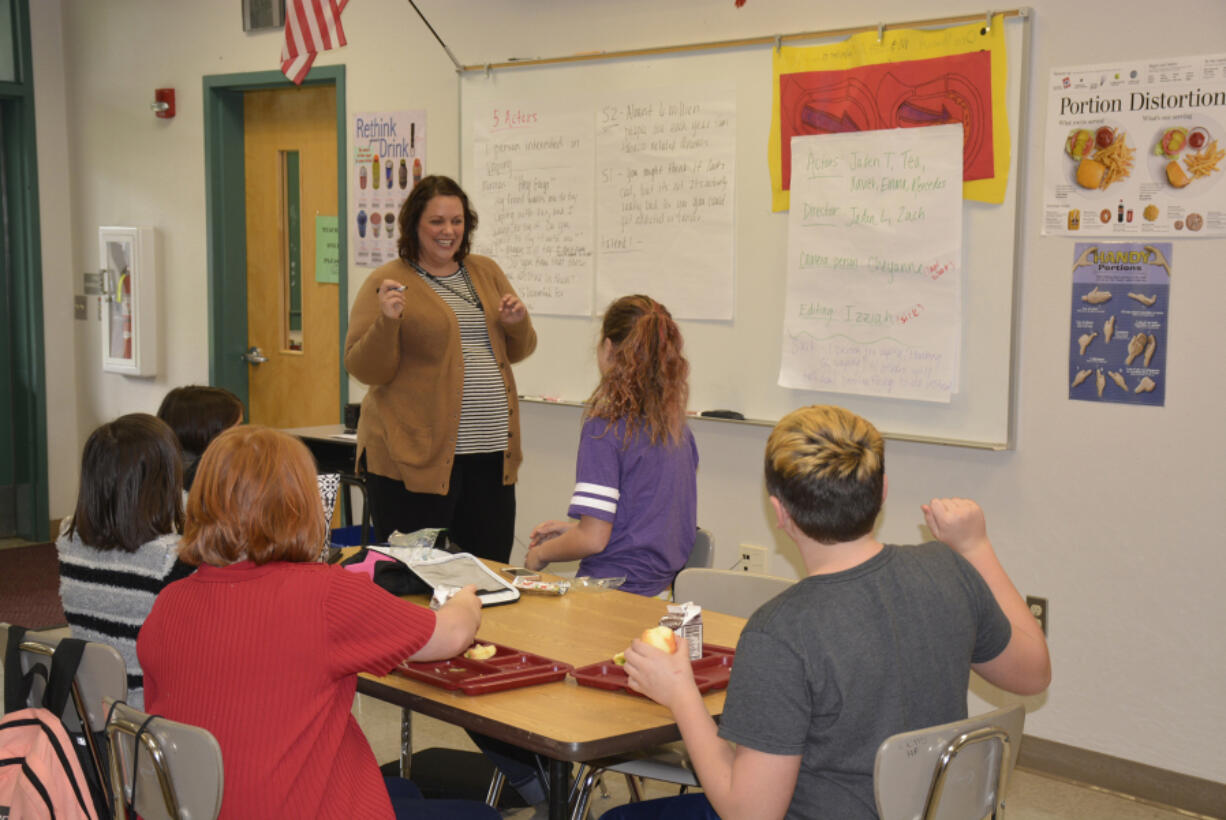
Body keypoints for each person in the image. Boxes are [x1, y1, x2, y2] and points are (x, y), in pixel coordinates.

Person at [607, 405, 1051, 820]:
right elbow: (1033, 674)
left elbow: (750, 813)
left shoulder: (781, 631)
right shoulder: (948, 569)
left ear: (779, 512)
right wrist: (976, 547)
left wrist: (681, 693)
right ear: (883, 494)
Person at [137, 425, 497, 820]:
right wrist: (464, 599)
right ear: (299, 505)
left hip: (201, 806)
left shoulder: (169, 602)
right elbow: (451, 636)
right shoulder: (323, 595)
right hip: (300, 804)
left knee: (404, 789)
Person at [345, 175, 536, 561]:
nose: (449, 231)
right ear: (414, 223)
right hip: (414, 459)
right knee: (415, 573)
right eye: (437, 221)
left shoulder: (485, 272)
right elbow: (364, 369)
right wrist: (387, 322)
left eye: (458, 221)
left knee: (489, 569)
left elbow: (519, 350)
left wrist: (517, 323)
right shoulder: (387, 282)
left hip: (489, 453)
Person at [525, 294, 698, 597]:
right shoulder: (679, 430)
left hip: (609, 595)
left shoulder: (604, 429)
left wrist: (542, 554)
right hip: (660, 592)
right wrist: (571, 530)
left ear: (607, 349)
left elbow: (593, 540)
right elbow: (646, 521)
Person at [56, 413, 194, 708]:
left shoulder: (69, 536)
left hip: (86, 705)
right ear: (166, 482)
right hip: (145, 718)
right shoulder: (171, 560)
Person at [155, 384, 244, 490]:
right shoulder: (203, 482)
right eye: (236, 428)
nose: (243, 434)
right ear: (205, 433)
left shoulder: (166, 466)